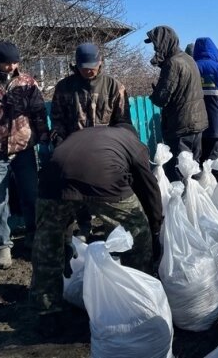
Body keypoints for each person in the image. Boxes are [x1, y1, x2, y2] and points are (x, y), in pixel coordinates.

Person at [30, 124, 163, 323]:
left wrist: (64, 239)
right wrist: (154, 229)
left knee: (47, 246)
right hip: (104, 179)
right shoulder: (134, 144)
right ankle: (140, 300)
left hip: (52, 181)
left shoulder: (85, 134)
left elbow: (69, 192)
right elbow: (149, 189)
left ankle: (46, 313)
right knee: (138, 237)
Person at [50, 42, 132, 241]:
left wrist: (121, 147)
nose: (89, 70)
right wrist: (60, 141)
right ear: (76, 65)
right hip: (74, 151)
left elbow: (123, 121)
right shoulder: (64, 87)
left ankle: (112, 232)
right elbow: (57, 119)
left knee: (109, 193)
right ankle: (84, 228)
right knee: (77, 195)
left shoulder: (113, 86)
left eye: (92, 66)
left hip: (105, 152)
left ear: (100, 62)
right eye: (84, 66)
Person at [0, 42, 49, 270]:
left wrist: (43, 134)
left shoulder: (26, 82)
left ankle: (33, 236)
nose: (12, 66)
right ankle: (1, 247)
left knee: (31, 193)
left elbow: (37, 111)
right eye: (7, 62)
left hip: (24, 147)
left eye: (15, 61)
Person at [146, 25, 208, 181]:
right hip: (197, 122)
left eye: (155, 44)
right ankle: (199, 201)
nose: (154, 48)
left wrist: (155, 93)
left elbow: (162, 98)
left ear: (163, 43)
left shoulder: (172, 64)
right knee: (193, 168)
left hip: (181, 125)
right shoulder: (189, 59)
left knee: (180, 172)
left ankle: (185, 204)